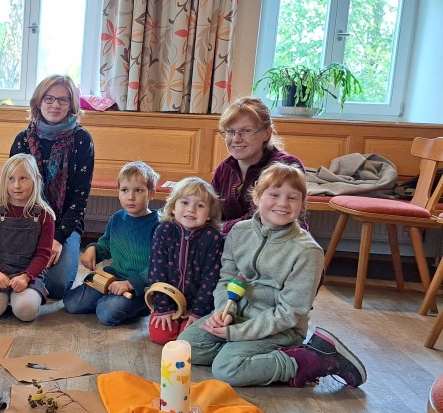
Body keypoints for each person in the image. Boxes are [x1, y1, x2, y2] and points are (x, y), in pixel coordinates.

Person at [178, 163, 366, 388]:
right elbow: (226, 279)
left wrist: (236, 333)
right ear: (256, 197)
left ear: (302, 204)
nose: (282, 204)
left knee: (227, 369)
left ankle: (312, 360)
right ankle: (246, 354)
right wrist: (222, 312)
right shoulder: (239, 232)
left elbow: (290, 313)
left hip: (280, 330)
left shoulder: (307, 251)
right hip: (237, 317)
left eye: (292, 198)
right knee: (185, 349)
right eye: (274, 194)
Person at [10, 74, 94, 300]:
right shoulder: (23, 139)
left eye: (62, 100)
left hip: (64, 223)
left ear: (71, 105)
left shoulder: (82, 140)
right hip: (28, 220)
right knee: (12, 270)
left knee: (56, 287)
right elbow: (12, 191)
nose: (55, 105)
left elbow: (80, 199)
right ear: (38, 101)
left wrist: (56, 239)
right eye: (49, 98)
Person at [62, 161, 159, 326]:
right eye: (125, 190)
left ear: (151, 193)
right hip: (112, 278)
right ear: (118, 193)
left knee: (107, 312)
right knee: (71, 303)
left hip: (141, 288)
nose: (131, 197)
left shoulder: (159, 226)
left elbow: (158, 268)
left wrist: (129, 284)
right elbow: (106, 246)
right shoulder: (117, 218)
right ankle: (110, 299)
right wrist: (92, 249)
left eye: (139, 191)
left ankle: (141, 306)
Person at [147, 177, 224, 344]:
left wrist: (198, 312)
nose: (191, 210)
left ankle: (191, 321)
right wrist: (163, 308)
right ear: (173, 207)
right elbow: (156, 272)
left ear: (210, 214)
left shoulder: (213, 238)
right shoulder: (164, 230)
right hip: (169, 302)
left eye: (200, 205)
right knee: (160, 336)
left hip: (199, 305)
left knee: (188, 340)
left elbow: (211, 279)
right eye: (185, 203)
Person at [212, 97, 306, 235]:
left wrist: (219, 228)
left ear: (266, 134)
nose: (236, 139)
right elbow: (210, 211)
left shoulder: (286, 166)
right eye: (230, 132)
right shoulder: (224, 168)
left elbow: (262, 221)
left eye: (246, 131)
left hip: (276, 243)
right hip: (231, 241)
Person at [0, 154, 55, 321]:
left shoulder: (45, 216)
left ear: (36, 179)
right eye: (11, 179)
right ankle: (5, 298)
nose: (16, 185)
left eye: (23, 178)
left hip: (28, 274)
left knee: (26, 312)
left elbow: (43, 255)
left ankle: (22, 298)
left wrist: (26, 277)